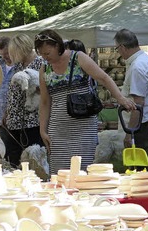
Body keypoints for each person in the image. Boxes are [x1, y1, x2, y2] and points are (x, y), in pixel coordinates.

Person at [38, 29, 135, 175]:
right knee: (59, 174)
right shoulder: (44, 69)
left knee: (83, 172)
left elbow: (104, 78)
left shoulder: (78, 57)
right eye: (42, 54)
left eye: (47, 53)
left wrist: (121, 99)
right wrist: (42, 130)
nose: (45, 58)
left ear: (57, 46)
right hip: (57, 130)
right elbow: (45, 102)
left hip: (83, 128)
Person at [116, 29, 148, 168]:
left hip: (141, 124)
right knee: (143, 165)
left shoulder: (138, 66)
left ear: (123, 47)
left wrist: (130, 132)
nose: (118, 52)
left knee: (141, 167)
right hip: (145, 122)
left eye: (117, 48)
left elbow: (138, 103)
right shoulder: (143, 61)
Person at [2, 34, 45, 168]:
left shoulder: (41, 64)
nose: (11, 57)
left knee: (33, 161)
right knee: (12, 159)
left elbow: (45, 91)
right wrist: (7, 112)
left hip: (32, 121)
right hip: (14, 121)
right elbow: (12, 94)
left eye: (13, 53)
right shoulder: (18, 66)